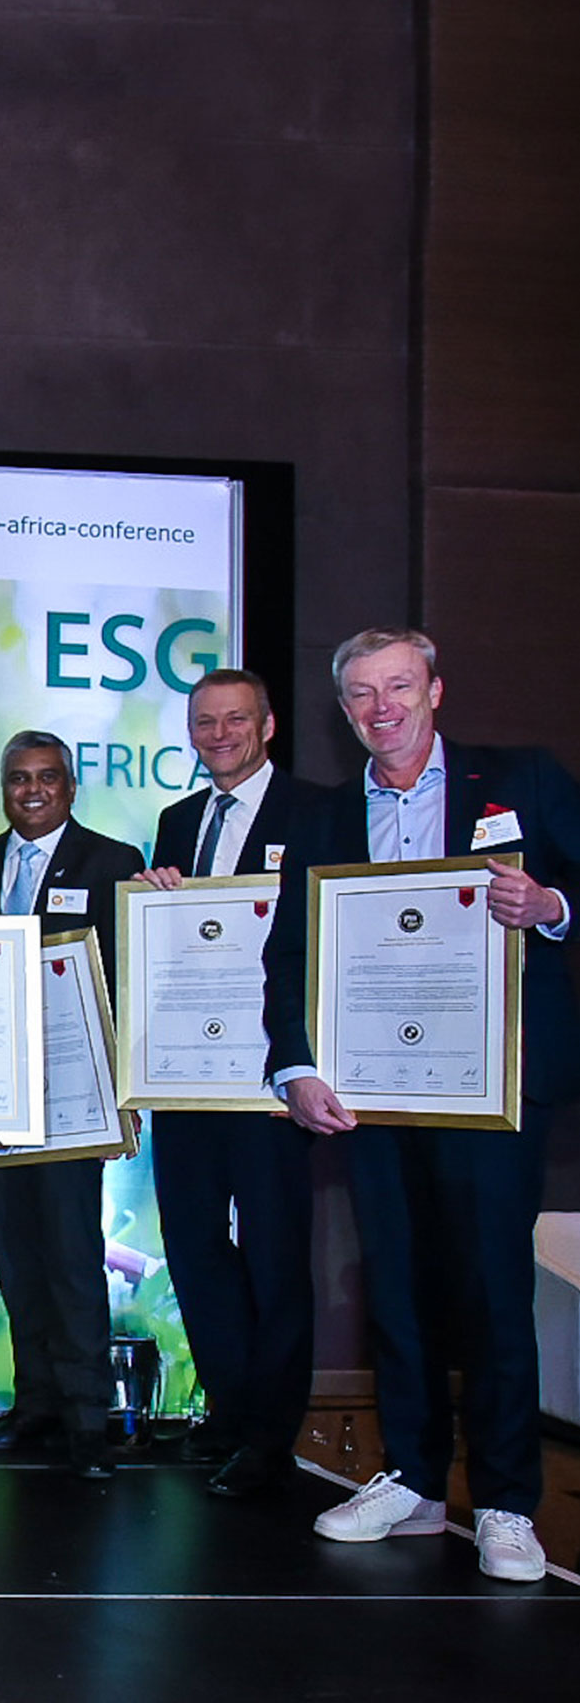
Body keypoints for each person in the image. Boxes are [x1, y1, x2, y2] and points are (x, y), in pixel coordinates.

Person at [266, 628, 578, 1583]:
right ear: (343, 710)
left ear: (434, 690)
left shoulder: (520, 779)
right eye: (362, 694)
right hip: (374, 1095)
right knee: (394, 1290)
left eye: (398, 686)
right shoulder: (324, 817)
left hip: (490, 1090)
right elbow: (290, 954)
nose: (382, 708)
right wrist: (296, 1068)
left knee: (491, 1294)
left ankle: (505, 1501)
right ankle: (409, 1477)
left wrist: (550, 907)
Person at [133, 669, 317, 1500]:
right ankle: (229, 1410)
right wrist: (152, 900)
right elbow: (172, 942)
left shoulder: (314, 811)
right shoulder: (177, 820)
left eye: (234, 719)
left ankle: (271, 1435)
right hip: (189, 1074)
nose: (218, 735)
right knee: (193, 1245)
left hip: (271, 1076)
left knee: (274, 1253)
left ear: (266, 725)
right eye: (204, 722)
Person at [0, 731, 144, 1480]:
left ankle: (88, 1419)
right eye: (18, 779)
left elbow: (128, 977)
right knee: (16, 1255)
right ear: (3, 789)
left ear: (70, 786)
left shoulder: (111, 862)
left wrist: (127, 1084)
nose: (32, 791)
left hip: (74, 1097)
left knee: (70, 1256)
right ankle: (35, 1405)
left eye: (47, 778)